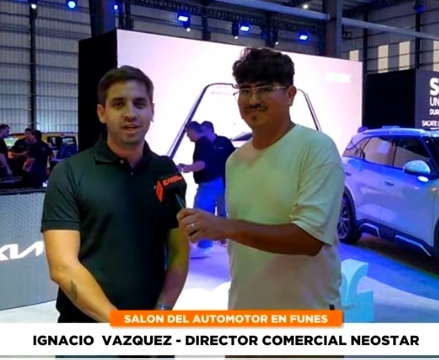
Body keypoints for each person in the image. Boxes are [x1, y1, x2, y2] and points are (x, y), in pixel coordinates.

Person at [176, 47, 344, 311]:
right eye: (245, 90)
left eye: (265, 89)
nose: (253, 99)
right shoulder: (235, 160)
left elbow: (309, 239)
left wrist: (225, 227)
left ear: (290, 95)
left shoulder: (316, 148)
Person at [41, 66, 189, 336]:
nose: (130, 113)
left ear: (152, 110)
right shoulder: (70, 173)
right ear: (102, 113)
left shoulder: (166, 171)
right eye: (119, 104)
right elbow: (62, 266)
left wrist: (161, 314)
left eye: (139, 103)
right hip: (86, 334)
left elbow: (179, 252)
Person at [178, 121, 220, 259]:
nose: (187, 136)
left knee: (202, 214)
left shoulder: (202, 144)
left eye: (187, 133)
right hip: (213, 183)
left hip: (209, 184)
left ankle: (205, 247)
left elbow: (201, 165)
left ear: (192, 130)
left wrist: (184, 168)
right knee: (204, 213)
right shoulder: (205, 143)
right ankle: (205, 245)